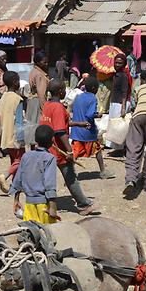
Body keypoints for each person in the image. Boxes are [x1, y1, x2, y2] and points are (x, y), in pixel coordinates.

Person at [40, 79, 96, 215]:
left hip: (47, 147)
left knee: (46, 178)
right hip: (58, 150)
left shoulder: (47, 105)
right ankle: (83, 204)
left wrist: (78, 124)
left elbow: (58, 124)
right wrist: (69, 150)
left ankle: (43, 202)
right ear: (60, 91)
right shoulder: (58, 107)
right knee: (70, 176)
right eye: (64, 89)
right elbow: (60, 131)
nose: (65, 91)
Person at [10, 125, 59, 224]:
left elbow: (18, 179)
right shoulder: (50, 158)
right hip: (44, 206)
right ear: (52, 140)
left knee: (31, 233)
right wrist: (53, 208)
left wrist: (16, 200)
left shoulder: (26, 156)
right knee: (48, 235)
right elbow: (49, 184)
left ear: (36, 140)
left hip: (29, 205)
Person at [71, 76, 113, 179]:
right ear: (95, 88)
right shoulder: (92, 98)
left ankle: (70, 173)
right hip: (87, 131)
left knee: (74, 153)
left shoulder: (78, 97)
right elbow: (90, 114)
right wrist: (97, 115)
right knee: (97, 149)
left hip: (76, 131)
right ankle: (103, 172)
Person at [0, 70, 25, 192]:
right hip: (15, 134)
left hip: (5, 134)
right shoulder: (17, 99)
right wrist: (21, 137)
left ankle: (15, 186)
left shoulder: (3, 97)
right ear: (14, 82)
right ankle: (4, 176)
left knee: (14, 161)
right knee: (20, 161)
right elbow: (19, 121)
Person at [25, 51, 49, 145]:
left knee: (31, 123)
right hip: (37, 102)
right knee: (37, 123)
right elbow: (41, 93)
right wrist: (45, 108)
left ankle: (31, 144)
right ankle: (35, 144)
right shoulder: (40, 74)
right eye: (44, 62)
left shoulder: (33, 71)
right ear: (38, 62)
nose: (46, 64)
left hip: (32, 101)